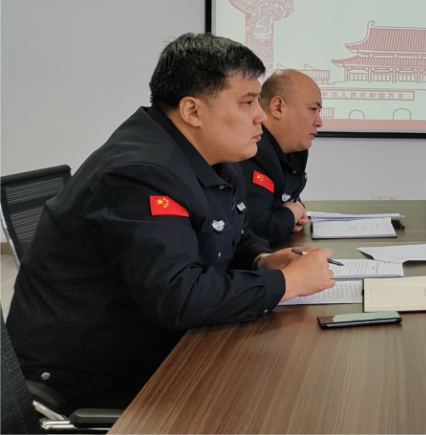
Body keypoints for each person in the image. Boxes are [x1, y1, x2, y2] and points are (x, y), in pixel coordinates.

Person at [7, 34, 336, 410]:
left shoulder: (212, 158)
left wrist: (263, 260)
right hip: (88, 382)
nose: (260, 115)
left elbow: (232, 230)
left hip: (156, 345)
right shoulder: (141, 173)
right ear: (192, 111)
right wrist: (287, 283)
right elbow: (180, 297)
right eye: (247, 102)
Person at [239, 69, 323, 244]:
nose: (319, 122)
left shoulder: (293, 151)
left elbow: (289, 202)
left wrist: (292, 213)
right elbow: (259, 229)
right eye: (313, 109)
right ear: (277, 107)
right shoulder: (250, 151)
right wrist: (291, 214)